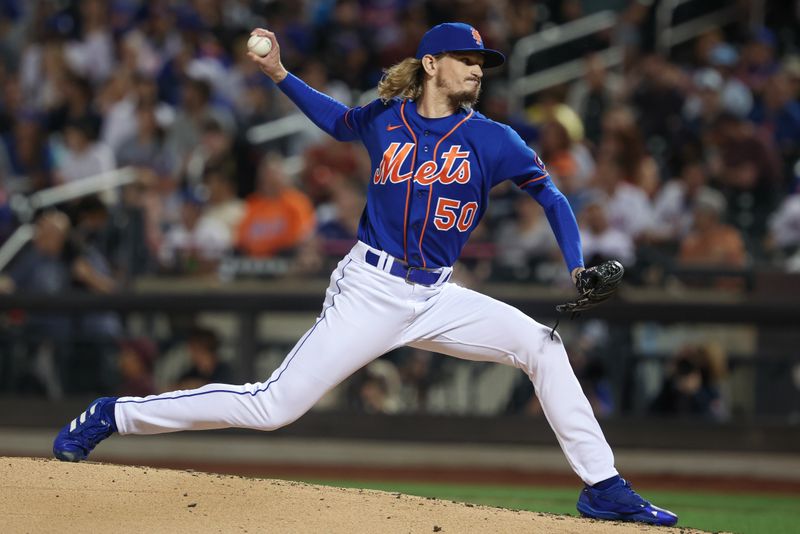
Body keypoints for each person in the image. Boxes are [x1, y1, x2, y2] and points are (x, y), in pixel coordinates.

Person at [52, 23, 677, 527]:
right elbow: (333, 119)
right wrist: (279, 74)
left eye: (482, 62)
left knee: (542, 345)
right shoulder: (386, 118)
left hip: (437, 293)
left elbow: (553, 198)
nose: (478, 70)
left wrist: (576, 265)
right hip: (369, 289)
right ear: (432, 64)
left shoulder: (494, 138)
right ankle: (115, 414)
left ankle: (605, 488)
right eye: (466, 59)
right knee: (274, 407)